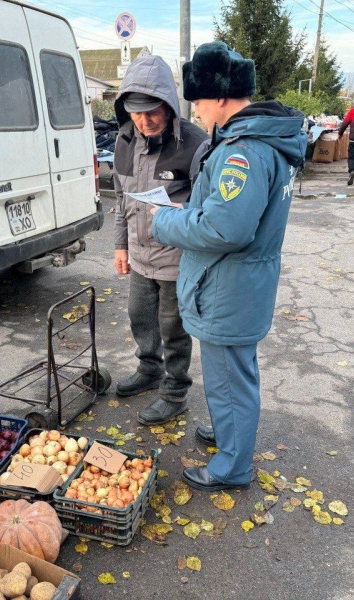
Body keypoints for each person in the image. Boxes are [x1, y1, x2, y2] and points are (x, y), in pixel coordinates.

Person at [150, 42, 306, 491]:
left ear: (219, 97)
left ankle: (232, 466)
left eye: (197, 102)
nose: (195, 112)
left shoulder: (244, 151)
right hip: (238, 283)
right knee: (231, 374)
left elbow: (225, 229)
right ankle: (226, 431)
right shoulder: (256, 141)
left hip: (228, 286)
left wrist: (167, 221)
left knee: (229, 381)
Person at [111, 56, 208, 426]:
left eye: (152, 112)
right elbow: (122, 199)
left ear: (169, 105)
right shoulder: (124, 142)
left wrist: (178, 210)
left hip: (176, 258)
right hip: (139, 253)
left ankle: (175, 391)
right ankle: (149, 369)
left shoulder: (195, 144)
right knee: (139, 317)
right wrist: (121, 246)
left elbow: (206, 208)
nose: (144, 121)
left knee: (174, 328)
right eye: (136, 113)